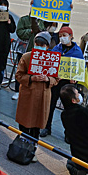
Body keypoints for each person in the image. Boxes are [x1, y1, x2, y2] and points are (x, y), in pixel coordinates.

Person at [15, 32, 58, 160]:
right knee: (25, 121)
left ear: (47, 46)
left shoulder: (52, 59)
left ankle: (33, 148)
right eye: (37, 44)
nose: (39, 47)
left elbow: (57, 79)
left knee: (37, 125)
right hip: (28, 94)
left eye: (42, 45)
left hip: (43, 95)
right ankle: (22, 146)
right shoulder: (27, 57)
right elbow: (18, 75)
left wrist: (48, 79)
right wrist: (32, 78)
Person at [41, 26, 83, 138]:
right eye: (60, 36)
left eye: (64, 35)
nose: (62, 38)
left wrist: (75, 78)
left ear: (71, 36)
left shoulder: (77, 51)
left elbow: (80, 69)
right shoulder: (56, 48)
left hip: (69, 84)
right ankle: (47, 127)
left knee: (69, 109)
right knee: (51, 105)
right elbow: (50, 64)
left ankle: (68, 133)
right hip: (56, 82)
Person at [13, 8, 45, 100]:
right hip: (24, 50)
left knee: (34, 72)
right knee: (21, 70)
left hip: (37, 51)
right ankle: (17, 90)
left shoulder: (43, 22)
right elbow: (19, 32)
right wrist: (30, 31)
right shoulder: (23, 19)